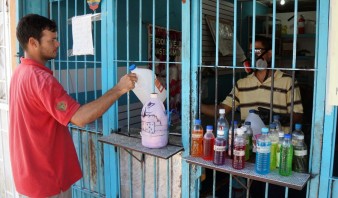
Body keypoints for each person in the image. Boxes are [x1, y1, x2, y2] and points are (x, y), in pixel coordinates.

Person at [9, 14, 137, 197]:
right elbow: (80, 117)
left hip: (27, 177)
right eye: (52, 39)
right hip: (47, 181)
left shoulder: (20, 73)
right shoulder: (42, 80)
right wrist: (119, 89)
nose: (57, 44)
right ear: (33, 42)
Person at [201, 36, 303, 129]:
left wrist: (276, 118)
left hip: (276, 143)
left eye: (257, 51)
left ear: (269, 54)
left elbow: (298, 115)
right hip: (247, 142)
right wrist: (196, 104)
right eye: (250, 52)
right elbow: (222, 109)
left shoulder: (288, 82)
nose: (253, 56)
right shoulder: (242, 84)